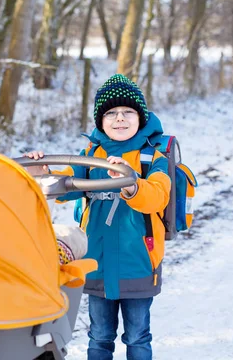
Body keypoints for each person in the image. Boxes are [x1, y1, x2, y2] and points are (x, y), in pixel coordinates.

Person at [24, 74, 171, 360]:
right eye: (111, 113)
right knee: (99, 336)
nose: (120, 119)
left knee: (138, 336)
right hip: (98, 262)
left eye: (128, 112)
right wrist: (42, 171)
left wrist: (130, 183)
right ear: (100, 121)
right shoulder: (90, 154)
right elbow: (65, 187)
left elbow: (157, 196)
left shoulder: (152, 158)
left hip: (139, 260)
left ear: (140, 118)